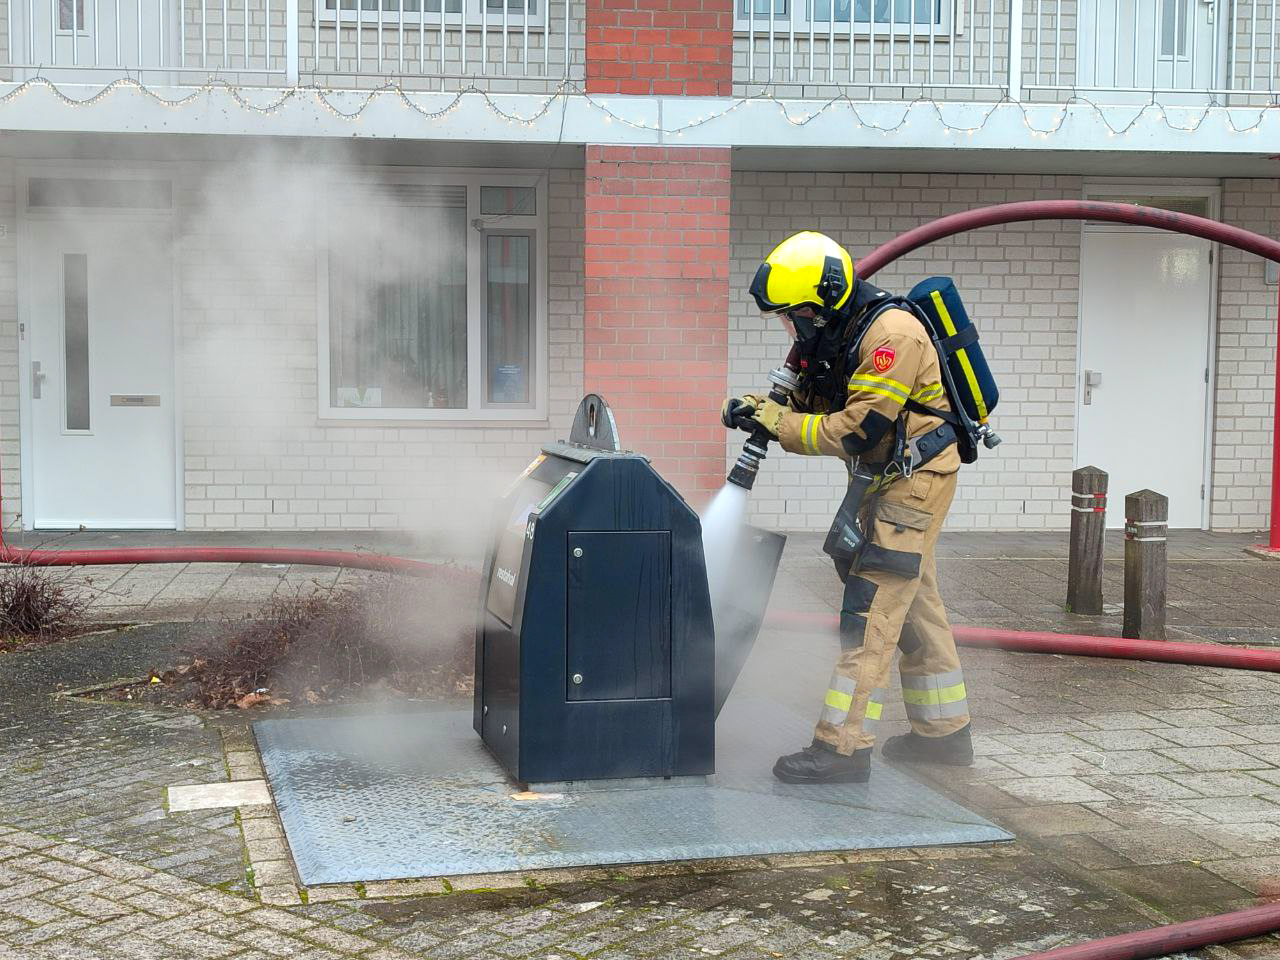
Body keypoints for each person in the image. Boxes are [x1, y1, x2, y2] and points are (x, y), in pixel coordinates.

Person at [723, 231, 974, 784]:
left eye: (794, 315)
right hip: (888, 479)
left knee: (872, 608)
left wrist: (780, 424)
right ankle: (946, 735)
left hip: (914, 481)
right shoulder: (840, 332)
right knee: (916, 603)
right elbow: (826, 398)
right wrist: (761, 408)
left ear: (825, 298)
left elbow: (860, 430)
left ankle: (842, 749)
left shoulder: (892, 334)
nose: (791, 327)